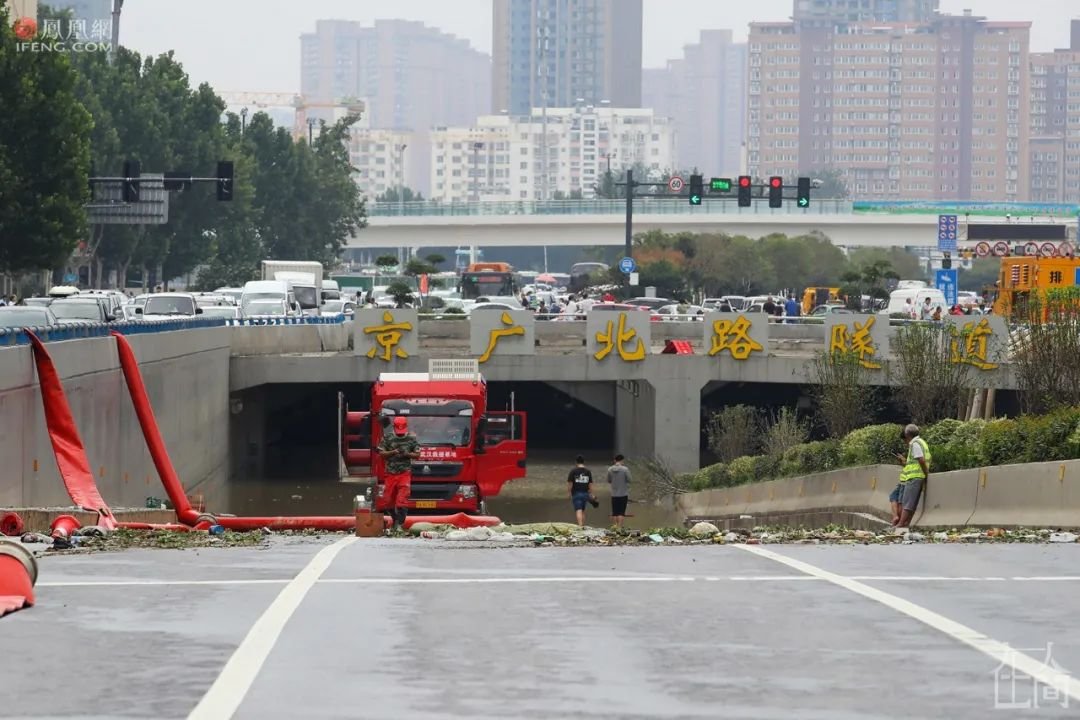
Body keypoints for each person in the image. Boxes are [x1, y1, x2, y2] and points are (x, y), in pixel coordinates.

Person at [377, 416, 421, 532]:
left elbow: (417, 454)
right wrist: (393, 452)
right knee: (387, 500)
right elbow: (381, 453)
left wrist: (407, 454)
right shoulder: (388, 438)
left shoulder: (412, 438)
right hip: (390, 473)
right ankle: (395, 520)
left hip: (404, 473)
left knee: (402, 498)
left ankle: (400, 523)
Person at [893, 424, 931, 531]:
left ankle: (900, 524)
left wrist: (926, 473)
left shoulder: (914, 444)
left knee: (908, 503)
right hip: (917, 476)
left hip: (915, 477)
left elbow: (921, 460)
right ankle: (906, 524)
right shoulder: (922, 442)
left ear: (907, 434)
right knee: (911, 503)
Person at [567, 455, 597, 527]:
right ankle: (583, 525)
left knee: (578, 510)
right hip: (585, 494)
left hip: (576, 493)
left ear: (576, 462)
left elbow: (570, 483)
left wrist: (569, 493)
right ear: (584, 462)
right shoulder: (588, 471)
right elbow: (590, 484)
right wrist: (591, 494)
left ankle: (580, 526)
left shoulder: (573, 471)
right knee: (583, 510)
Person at [606, 454, 632, 528]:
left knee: (615, 512)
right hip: (623, 494)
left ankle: (615, 527)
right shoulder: (625, 469)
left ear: (615, 460)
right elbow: (630, 480)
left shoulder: (610, 469)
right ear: (622, 460)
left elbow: (608, 480)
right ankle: (619, 527)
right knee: (621, 512)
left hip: (614, 494)